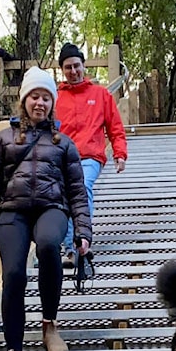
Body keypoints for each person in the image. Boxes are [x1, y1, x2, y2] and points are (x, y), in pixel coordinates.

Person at [0, 66, 93, 351]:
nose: (40, 103)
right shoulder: (2, 140)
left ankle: (49, 325)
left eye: (46, 98)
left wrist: (82, 232)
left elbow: (78, 191)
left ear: (52, 103)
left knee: (50, 245)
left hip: (51, 207)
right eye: (34, 97)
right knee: (13, 274)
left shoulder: (64, 144)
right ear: (24, 100)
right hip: (12, 211)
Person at [54, 42, 128, 268]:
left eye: (77, 66)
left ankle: (78, 243)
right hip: (61, 157)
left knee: (82, 185)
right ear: (62, 70)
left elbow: (115, 126)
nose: (73, 71)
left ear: (84, 66)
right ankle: (69, 247)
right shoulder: (55, 97)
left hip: (90, 156)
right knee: (62, 194)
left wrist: (120, 153)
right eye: (68, 67)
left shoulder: (100, 94)